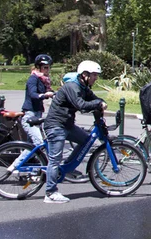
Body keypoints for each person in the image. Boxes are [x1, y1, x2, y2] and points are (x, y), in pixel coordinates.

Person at [42, 60, 107, 203]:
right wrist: (98, 104)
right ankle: (50, 193)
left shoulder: (84, 87)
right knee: (54, 160)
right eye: (94, 75)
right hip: (56, 125)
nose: (96, 78)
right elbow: (81, 105)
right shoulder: (72, 86)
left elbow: (95, 99)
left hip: (67, 125)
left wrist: (100, 102)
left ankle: (67, 168)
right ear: (85, 74)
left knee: (86, 140)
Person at [22, 54, 54, 147]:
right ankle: (22, 160)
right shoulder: (33, 78)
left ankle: (31, 159)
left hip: (38, 111)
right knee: (37, 142)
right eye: (45, 67)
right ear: (38, 67)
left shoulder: (43, 80)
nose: (47, 70)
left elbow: (49, 91)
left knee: (32, 142)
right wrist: (44, 95)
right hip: (30, 112)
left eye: (49, 67)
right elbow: (33, 94)